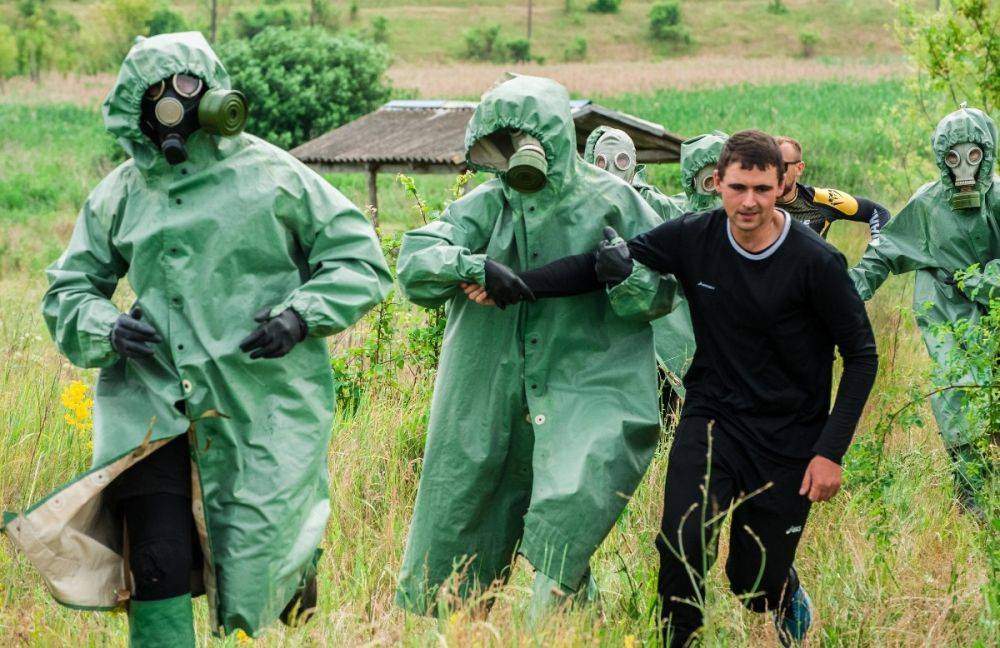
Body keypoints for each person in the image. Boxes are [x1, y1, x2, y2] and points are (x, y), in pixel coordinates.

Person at [1, 32, 392, 646]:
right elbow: (66, 289)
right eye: (160, 92)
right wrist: (108, 326)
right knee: (154, 564)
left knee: (271, 557)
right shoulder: (120, 193)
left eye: (190, 86)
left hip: (261, 400)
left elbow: (359, 258)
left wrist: (299, 317)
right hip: (151, 409)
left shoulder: (274, 175)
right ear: (135, 104)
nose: (178, 101)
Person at [474, 130, 878, 646]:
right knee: (682, 544)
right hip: (713, 418)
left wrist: (829, 452)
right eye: (736, 188)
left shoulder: (815, 263)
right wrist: (517, 283)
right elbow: (599, 268)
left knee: (752, 583)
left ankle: (782, 591)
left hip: (790, 438)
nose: (748, 201)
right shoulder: (696, 236)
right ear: (718, 184)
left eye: (760, 188)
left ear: (781, 185)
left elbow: (862, 357)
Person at [394, 74, 669, 618]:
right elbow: (414, 265)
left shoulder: (614, 202)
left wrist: (625, 276)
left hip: (587, 385)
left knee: (572, 501)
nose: (520, 151)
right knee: (460, 515)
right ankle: (457, 626)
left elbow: (663, 291)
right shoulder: (484, 206)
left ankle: (555, 627)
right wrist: (471, 265)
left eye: (530, 135)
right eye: (506, 139)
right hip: (485, 389)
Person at [850, 105, 1000, 514]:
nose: (964, 167)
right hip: (947, 311)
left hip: (995, 309)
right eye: (953, 158)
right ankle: (971, 495)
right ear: (941, 158)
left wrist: (982, 280)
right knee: (958, 388)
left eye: (973, 156)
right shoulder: (928, 204)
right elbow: (886, 252)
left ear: (986, 154)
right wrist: (844, 294)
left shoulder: (998, 199)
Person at [776, 135, 891, 240]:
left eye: (782, 166)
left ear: (799, 168)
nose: (775, 173)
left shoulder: (820, 199)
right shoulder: (760, 203)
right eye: (768, 166)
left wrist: (877, 252)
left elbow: (877, 212)